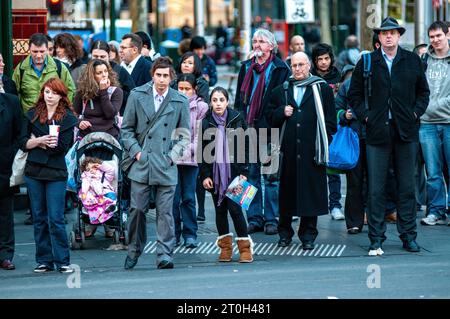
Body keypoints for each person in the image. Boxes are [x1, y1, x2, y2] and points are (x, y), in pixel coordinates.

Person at [348, 17, 430, 255]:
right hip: (377, 132)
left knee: (407, 187)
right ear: (379, 38)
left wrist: (414, 113)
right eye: (384, 34)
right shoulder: (367, 62)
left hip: (406, 132)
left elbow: (423, 93)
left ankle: (408, 235)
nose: (389, 37)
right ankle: (376, 238)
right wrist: (366, 117)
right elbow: (354, 95)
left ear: (399, 36)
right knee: (376, 188)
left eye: (393, 33)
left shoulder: (412, 60)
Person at [121, 57, 190, 270]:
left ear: (171, 77)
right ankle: (134, 249)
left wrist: (172, 156)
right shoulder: (136, 95)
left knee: (165, 212)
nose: (161, 80)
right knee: (137, 210)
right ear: (152, 75)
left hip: (166, 163)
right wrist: (137, 153)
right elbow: (126, 130)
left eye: (165, 76)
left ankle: (164, 254)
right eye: (158, 75)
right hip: (142, 162)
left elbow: (185, 135)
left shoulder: (180, 100)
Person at [265, 52, 336, 249]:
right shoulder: (282, 90)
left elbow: (330, 120)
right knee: (286, 194)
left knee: (310, 194)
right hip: (287, 152)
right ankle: (284, 234)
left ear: (309, 66)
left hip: (312, 152)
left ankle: (308, 236)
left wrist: (323, 142)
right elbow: (269, 116)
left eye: (301, 65)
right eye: (294, 65)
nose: (297, 69)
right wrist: (281, 112)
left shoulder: (321, 89)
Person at [234, 28, 291, 236]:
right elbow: (240, 98)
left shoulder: (280, 68)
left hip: (269, 129)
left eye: (261, 41)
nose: (257, 45)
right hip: (246, 128)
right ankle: (254, 217)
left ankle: (271, 219)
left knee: (271, 177)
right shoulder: (246, 66)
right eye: (254, 41)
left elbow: (281, 100)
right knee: (249, 176)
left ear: (271, 46)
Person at [18, 77, 78, 273]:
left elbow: (60, 147)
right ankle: (44, 259)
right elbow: (22, 142)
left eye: (53, 92)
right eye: (46, 92)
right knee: (39, 217)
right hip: (34, 171)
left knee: (56, 217)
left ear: (61, 95)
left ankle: (63, 260)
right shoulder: (32, 114)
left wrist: (38, 141)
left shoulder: (68, 118)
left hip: (56, 173)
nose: (49, 96)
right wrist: (39, 141)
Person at [200, 87, 253, 263]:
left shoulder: (237, 118)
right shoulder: (206, 122)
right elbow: (202, 151)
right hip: (215, 175)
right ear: (210, 102)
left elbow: (247, 146)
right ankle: (225, 248)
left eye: (221, 100)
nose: (218, 104)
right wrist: (205, 175)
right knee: (220, 211)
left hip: (235, 172)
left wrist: (244, 172)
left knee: (235, 210)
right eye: (214, 100)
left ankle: (245, 249)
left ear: (227, 101)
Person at [419, 21, 450, 226]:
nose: (435, 40)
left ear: (448, 35)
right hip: (426, 123)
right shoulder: (423, 60)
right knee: (432, 171)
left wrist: (433, 105)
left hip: (449, 122)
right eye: (432, 37)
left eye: (439, 35)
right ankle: (436, 211)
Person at [172, 73, 208, 248]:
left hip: (191, 160)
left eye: (187, 89)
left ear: (194, 90)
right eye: (181, 88)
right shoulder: (171, 103)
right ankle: (174, 233)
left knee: (188, 197)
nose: (183, 92)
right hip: (172, 160)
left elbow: (199, 136)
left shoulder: (201, 107)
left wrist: (183, 151)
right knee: (173, 197)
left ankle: (190, 233)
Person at [311, 43, 344, 221]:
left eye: (326, 58)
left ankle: (335, 205)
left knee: (333, 167)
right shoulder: (309, 76)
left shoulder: (338, 76)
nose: (324, 62)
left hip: (333, 125)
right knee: (312, 168)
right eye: (319, 59)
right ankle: (314, 204)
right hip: (313, 126)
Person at [12, 33, 75, 113]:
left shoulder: (59, 67)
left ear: (47, 50)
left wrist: (62, 109)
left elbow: (70, 90)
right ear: (29, 49)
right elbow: (14, 94)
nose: (38, 55)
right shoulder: (21, 69)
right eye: (35, 51)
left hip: (54, 117)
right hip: (28, 118)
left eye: (42, 51)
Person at [73, 59, 123, 139]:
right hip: (86, 137)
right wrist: (79, 123)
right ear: (92, 76)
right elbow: (73, 114)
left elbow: (110, 114)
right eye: (99, 73)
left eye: (106, 71)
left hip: (109, 137)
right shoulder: (83, 92)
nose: (104, 75)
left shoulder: (116, 91)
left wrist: (103, 92)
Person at [0, 93, 22, 270]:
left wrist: (10, 155)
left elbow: (19, 134)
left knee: (5, 212)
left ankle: (6, 255)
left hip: (5, 166)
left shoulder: (11, 101)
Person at [91, 40, 136, 116]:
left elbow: (132, 94)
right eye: (95, 56)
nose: (98, 59)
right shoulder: (86, 71)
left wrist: (113, 91)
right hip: (92, 117)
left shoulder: (119, 71)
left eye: (102, 56)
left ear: (109, 56)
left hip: (115, 115)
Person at [78, 156, 117, 225]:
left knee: (111, 194)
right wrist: (84, 192)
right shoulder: (86, 177)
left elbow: (111, 170)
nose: (91, 170)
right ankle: (98, 212)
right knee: (89, 198)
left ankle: (110, 206)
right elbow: (85, 185)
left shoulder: (103, 174)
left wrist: (101, 166)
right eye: (88, 169)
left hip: (105, 191)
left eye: (93, 167)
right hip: (93, 194)